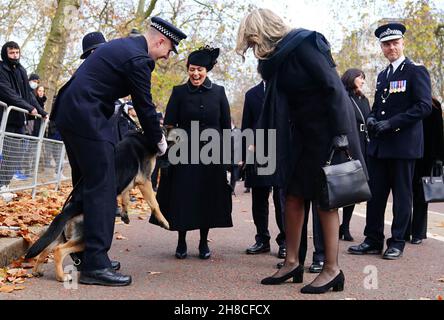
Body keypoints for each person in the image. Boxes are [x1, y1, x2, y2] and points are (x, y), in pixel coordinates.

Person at [236, 9, 366, 294]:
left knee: (325, 198)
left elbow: (333, 87)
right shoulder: (278, 59)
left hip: (326, 132)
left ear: (265, 33)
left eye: (254, 42)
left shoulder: (305, 44)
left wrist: (341, 136)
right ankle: (292, 262)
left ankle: (332, 270)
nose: (254, 49)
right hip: (300, 134)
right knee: (292, 195)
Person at [51, 17, 187, 286]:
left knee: (88, 185)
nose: (166, 57)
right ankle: (95, 265)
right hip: (86, 117)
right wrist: (159, 141)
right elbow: (145, 106)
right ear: (160, 41)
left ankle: (85, 255)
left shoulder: (124, 46)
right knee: (103, 187)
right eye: (169, 50)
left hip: (72, 112)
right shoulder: (140, 59)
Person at [348, 23, 432, 260]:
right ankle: (372, 240)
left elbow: (424, 106)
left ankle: (396, 242)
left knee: (402, 197)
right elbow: (378, 106)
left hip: (403, 146)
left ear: (403, 43)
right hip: (380, 146)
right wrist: (373, 118)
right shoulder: (384, 74)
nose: (391, 47)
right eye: (386, 44)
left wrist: (393, 122)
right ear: (382, 48)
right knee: (375, 195)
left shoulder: (416, 70)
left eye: (395, 43)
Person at [150, 46, 233, 260]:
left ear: (207, 71)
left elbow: (225, 128)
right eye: (192, 69)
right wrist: (168, 154)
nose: (196, 74)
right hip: (183, 153)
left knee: (207, 197)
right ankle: (181, 240)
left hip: (212, 154)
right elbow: (169, 125)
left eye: (200, 70)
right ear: (187, 69)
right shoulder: (179, 92)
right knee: (183, 196)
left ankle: (204, 242)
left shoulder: (219, 92)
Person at [242, 80, 287, 259]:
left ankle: (285, 241)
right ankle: (262, 239)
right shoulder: (251, 94)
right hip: (257, 151)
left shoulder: (286, 90)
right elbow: (246, 126)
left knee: (281, 200)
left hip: (282, 151)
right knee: (258, 198)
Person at [0, 41, 47, 188]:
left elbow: (29, 94)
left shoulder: (21, 70)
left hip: (18, 120)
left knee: (14, 156)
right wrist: (27, 107)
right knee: (3, 153)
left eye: (17, 52)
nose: (15, 56)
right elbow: (7, 93)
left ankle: (3, 186)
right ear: (5, 54)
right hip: (3, 118)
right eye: (11, 53)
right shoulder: (1, 69)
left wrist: (41, 111)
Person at [405, 97, 444, 244]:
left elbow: (439, 132)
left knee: (416, 195)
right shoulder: (415, 103)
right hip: (414, 154)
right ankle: (412, 232)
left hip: (424, 156)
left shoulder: (433, 105)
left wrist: (439, 158)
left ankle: (414, 233)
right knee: (410, 195)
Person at [339, 69, 371, 241]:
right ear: (351, 78)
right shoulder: (343, 97)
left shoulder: (364, 100)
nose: (363, 81)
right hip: (348, 146)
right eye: (360, 77)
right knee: (341, 187)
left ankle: (345, 225)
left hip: (363, 146)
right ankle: (338, 225)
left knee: (354, 189)